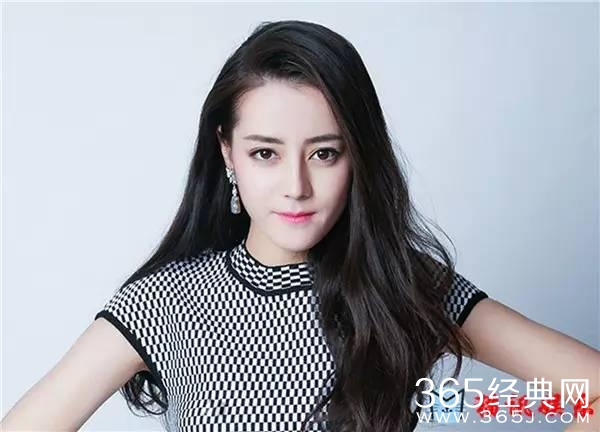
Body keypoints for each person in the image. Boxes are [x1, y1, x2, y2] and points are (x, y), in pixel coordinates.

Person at [2, 19, 598, 432]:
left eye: (325, 153)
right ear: (227, 152)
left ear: (358, 158)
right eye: (265, 153)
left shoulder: (405, 288)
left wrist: (469, 408)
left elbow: (589, 391)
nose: (296, 186)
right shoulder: (167, 302)